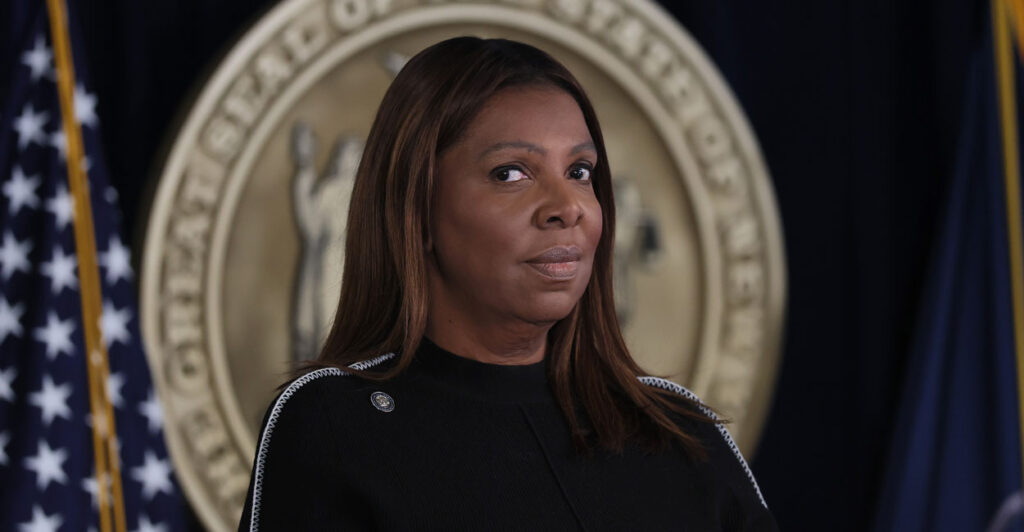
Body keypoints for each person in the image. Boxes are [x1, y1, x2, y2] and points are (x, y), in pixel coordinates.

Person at [238, 36, 777, 531]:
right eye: (511, 173)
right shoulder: (332, 425)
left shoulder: (679, 433)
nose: (566, 207)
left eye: (581, 172)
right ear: (417, 210)